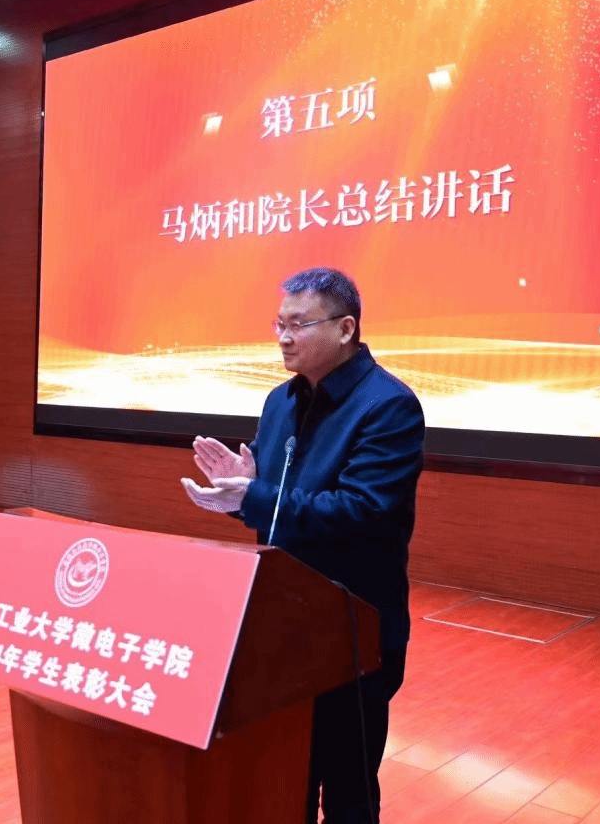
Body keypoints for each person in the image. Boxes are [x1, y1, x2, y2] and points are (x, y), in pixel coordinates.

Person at [181, 267, 425, 824]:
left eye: (298, 325)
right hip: (279, 624)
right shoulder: (279, 401)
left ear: (346, 329)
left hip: (352, 631)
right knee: (283, 775)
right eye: (279, 325)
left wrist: (257, 495)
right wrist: (243, 491)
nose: (284, 338)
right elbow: (278, 510)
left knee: (347, 790)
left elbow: (361, 513)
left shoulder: (389, 406)